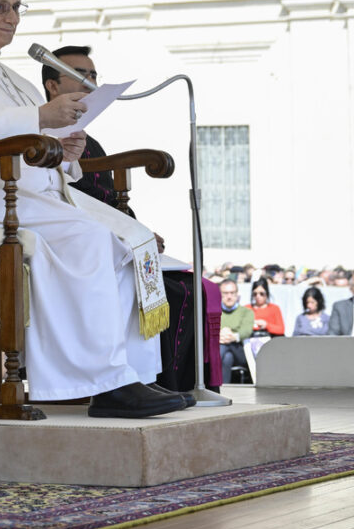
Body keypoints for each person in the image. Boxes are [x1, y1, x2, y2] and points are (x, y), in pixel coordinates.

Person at [0, 0, 185, 418]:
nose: (11, 17)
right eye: (0, 7)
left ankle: (133, 376)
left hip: (25, 194)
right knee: (89, 239)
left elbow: (34, 141)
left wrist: (65, 151)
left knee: (125, 242)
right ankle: (106, 384)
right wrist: (39, 119)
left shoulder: (11, 77)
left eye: (17, 7)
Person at [41, 45, 220, 393]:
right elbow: (67, 202)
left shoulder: (90, 143)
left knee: (187, 287)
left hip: (111, 235)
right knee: (171, 291)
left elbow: (108, 200)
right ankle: (144, 384)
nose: (90, 82)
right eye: (79, 74)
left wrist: (138, 231)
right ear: (52, 86)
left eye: (93, 75)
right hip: (76, 242)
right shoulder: (44, 139)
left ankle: (178, 388)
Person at [218, 279, 254, 382]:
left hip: (239, 350)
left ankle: (209, 375)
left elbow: (246, 331)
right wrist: (219, 335)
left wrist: (232, 337)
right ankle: (223, 388)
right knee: (227, 357)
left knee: (223, 346)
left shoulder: (246, 312)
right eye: (225, 293)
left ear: (237, 294)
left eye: (232, 293)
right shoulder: (215, 311)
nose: (229, 296)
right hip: (221, 347)